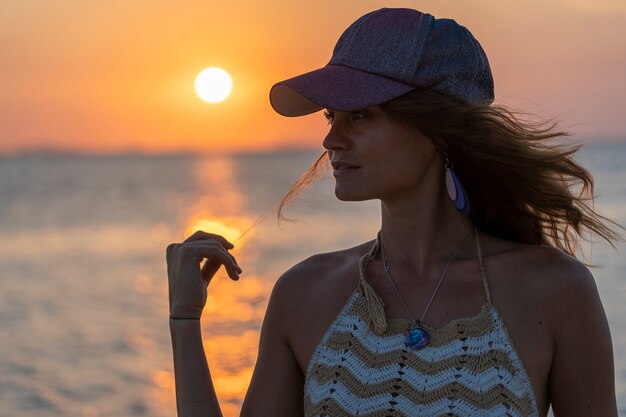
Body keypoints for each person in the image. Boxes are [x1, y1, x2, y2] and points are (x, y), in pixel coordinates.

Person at [166, 8, 621, 417]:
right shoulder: (304, 293)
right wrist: (184, 320)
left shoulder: (553, 291)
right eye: (331, 116)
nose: (331, 141)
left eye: (360, 116)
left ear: (438, 129)